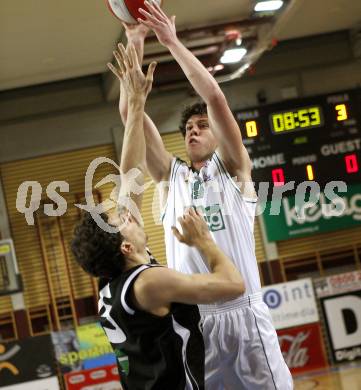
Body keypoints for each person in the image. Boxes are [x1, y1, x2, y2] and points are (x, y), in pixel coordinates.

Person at [116, 2, 293, 389]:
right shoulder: (169, 177)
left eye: (201, 126)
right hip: (195, 323)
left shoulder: (233, 171)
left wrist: (170, 41)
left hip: (244, 316)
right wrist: (136, 39)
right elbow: (130, 111)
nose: (194, 132)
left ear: (216, 134)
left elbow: (214, 97)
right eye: (188, 129)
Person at [71, 43, 245, 390]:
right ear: (123, 246)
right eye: (123, 221)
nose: (128, 215)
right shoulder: (150, 283)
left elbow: (130, 174)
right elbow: (233, 285)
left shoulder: (116, 280)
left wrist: (135, 105)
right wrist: (204, 243)